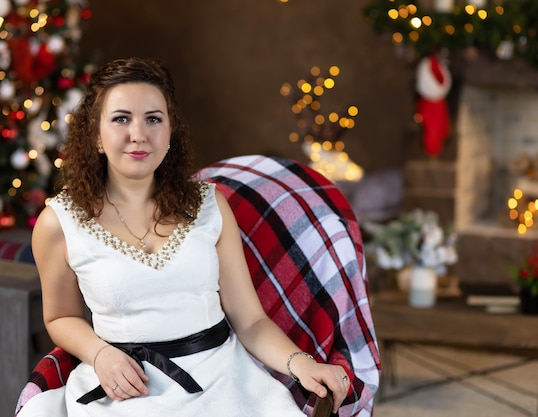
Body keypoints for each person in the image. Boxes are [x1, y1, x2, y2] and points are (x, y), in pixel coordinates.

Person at [32, 57, 351, 416]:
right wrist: (100, 354)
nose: (139, 134)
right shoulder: (59, 222)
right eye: (121, 118)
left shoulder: (209, 204)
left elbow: (250, 320)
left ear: (171, 133)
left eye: (154, 119)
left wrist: (301, 363)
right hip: (125, 385)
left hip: (223, 379)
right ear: (95, 135)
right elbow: (60, 317)